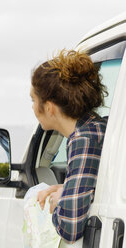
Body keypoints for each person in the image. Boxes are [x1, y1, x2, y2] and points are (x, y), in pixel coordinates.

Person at [30, 50, 108, 243]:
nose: (32, 107)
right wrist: (66, 188)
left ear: (49, 108)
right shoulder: (96, 127)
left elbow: (70, 228)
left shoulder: (83, 139)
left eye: (33, 100)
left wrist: (58, 204)